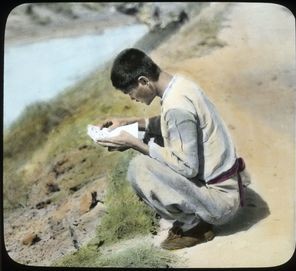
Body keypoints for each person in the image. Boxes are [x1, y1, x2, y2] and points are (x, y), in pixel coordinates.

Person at [97, 48, 251, 250]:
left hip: (220, 204)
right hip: (226, 188)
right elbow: (171, 125)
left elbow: (187, 168)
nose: (131, 98)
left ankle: (195, 226)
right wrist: (128, 123)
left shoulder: (176, 106)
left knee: (139, 167)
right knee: (150, 137)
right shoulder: (180, 86)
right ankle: (194, 216)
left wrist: (134, 143)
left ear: (143, 81)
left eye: (129, 92)